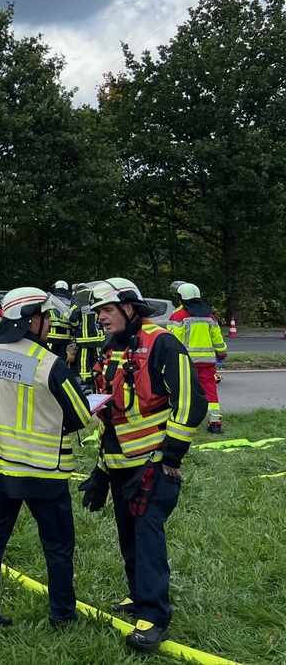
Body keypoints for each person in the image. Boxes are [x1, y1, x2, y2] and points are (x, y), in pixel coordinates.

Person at [0, 287, 93, 632]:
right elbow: (80, 416)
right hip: (43, 472)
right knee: (58, 546)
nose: (48, 323)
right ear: (30, 320)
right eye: (45, 317)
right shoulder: (49, 364)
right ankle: (62, 615)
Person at [85, 278, 206, 653]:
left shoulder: (162, 343)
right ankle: (138, 597)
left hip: (155, 463)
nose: (101, 318)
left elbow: (192, 401)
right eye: (99, 312)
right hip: (120, 463)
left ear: (129, 308)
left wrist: (170, 456)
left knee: (148, 535)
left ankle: (153, 617)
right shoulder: (109, 348)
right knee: (129, 533)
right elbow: (111, 414)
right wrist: (101, 472)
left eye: (106, 310)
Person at [167, 282, 227, 433]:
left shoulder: (178, 316)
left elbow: (172, 341)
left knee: (183, 392)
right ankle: (215, 422)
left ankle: (182, 421)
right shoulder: (209, 316)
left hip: (186, 363)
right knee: (210, 390)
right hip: (207, 363)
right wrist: (222, 353)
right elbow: (218, 339)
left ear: (181, 298)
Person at [67, 288, 105, 381]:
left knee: (84, 360)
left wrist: (76, 327)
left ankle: (86, 379)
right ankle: (97, 378)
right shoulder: (96, 303)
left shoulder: (77, 305)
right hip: (98, 338)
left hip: (84, 339)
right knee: (97, 358)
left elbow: (72, 318)